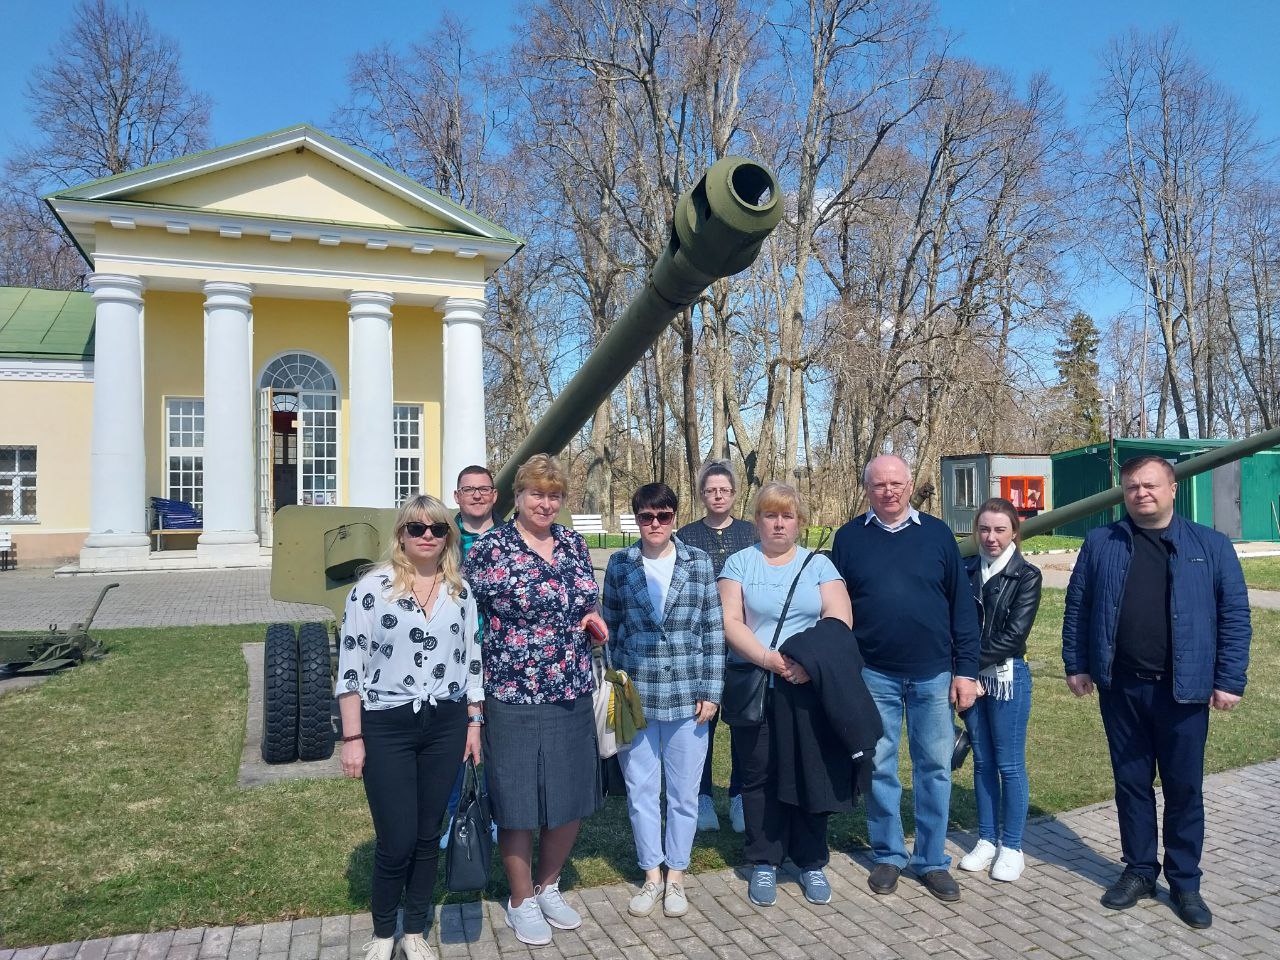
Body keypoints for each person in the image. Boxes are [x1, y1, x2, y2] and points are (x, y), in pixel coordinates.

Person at [1062, 455, 1251, 929]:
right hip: (1121, 688)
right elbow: (1078, 606)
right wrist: (1077, 664)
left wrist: (1229, 679)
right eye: (1131, 487)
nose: (1140, 493)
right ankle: (1140, 870)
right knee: (1131, 785)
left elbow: (1235, 616)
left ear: (1171, 489)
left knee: (1184, 789)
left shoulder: (1209, 545)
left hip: (1183, 692)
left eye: (1149, 485)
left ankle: (1185, 882)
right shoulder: (1102, 543)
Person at [462, 454, 608, 947]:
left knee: (569, 793)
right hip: (512, 690)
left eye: (554, 495)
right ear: (518, 498)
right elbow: (465, 619)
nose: (545, 503)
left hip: (569, 685)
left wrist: (591, 619)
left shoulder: (572, 542)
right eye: (536, 494)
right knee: (518, 797)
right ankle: (521, 898)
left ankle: (548, 885)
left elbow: (586, 599)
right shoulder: (491, 548)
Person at [336, 495, 484, 960]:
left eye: (437, 529)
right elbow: (350, 668)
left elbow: (473, 661)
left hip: (444, 722)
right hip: (387, 724)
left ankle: (415, 928)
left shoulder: (460, 593)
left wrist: (474, 723)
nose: (427, 537)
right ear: (401, 534)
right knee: (396, 838)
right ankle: (384, 932)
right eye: (417, 528)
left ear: (448, 537)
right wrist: (353, 737)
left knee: (426, 834)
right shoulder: (371, 589)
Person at [830, 455, 980, 903]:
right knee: (879, 767)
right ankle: (889, 854)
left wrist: (966, 671)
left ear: (910, 484)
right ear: (867, 488)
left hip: (933, 674)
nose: (889, 491)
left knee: (934, 769)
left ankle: (932, 861)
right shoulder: (850, 538)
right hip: (874, 673)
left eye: (896, 483)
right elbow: (837, 609)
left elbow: (961, 608)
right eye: (879, 485)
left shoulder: (936, 534)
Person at [718, 482, 852, 908]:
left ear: (799, 523)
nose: (778, 524)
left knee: (811, 772)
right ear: (756, 520)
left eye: (787, 516)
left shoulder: (819, 566)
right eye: (770, 516)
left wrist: (807, 664)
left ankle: (810, 860)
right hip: (760, 684)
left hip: (810, 687)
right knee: (759, 774)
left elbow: (839, 618)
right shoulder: (739, 563)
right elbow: (731, 621)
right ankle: (763, 859)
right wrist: (770, 659)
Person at [602, 482, 724, 919]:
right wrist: (616, 683)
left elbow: (713, 629)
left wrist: (712, 691)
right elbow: (610, 630)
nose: (655, 524)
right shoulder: (620, 564)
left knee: (685, 793)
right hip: (636, 696)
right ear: (636, 519)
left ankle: (677, 875)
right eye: (646, 517)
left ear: (675, 517)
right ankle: (651, 874)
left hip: (689, 696)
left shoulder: (698, 562)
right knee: (640, 790)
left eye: (664, 516)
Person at [957, 498, 1042, 883]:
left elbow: (1013, 636)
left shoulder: (1026, 575)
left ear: (1014, 533)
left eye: (1000, 529)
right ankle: (987, 840)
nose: (991, 537)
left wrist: (968, 666)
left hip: (1006, 678)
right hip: (970, 679)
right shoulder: (965, 569)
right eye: (985, 529)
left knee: (1009, 764)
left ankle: (1012, 846)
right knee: (982, 763)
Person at [676, 460, 757, 834]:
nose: (718, 495)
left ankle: (740, 795)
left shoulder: (751, 533)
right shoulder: (687, 536)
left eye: (724, 489)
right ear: (702, 495)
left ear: (735, 493)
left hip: (743, 643)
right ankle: (702, 796)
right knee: (701, 723)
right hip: (698, 646)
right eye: (711, 490)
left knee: (742, 722)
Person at [441, 464, 498, 850]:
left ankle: (494, 813)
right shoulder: (442, 538)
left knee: (498, 741)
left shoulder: (511, 537)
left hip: (501, 650)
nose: (476, 495)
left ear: (494, 495)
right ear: (457, 496)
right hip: (452, 651)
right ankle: (455, 815)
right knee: (454, 739)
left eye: (483, 489)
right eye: (468, 489)